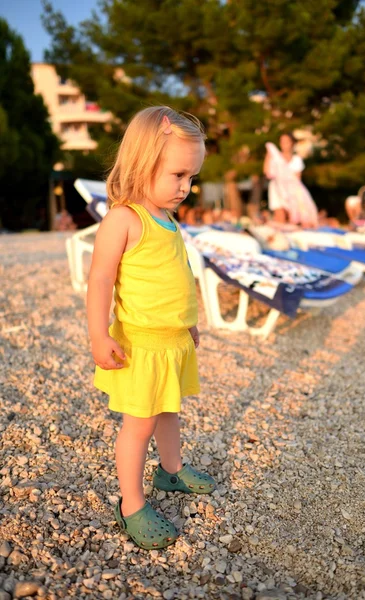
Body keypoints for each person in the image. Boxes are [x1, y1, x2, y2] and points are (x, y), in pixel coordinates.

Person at [87, 106, 216, 551]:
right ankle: (132, 503)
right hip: (141, 346)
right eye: (178, 175)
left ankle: (172, 469)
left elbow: (176, 276)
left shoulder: (167, 218)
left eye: (192, 178)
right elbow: (100, 279)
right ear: (143, 164)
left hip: (172, 342)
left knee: (169, 411)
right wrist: (99, 335)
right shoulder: (125, 219)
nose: (187, 187)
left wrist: (189, 325)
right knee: (138, 426)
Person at [264, 132, 318, 227]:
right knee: (280, 215)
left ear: (292, 143)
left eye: (287, 142)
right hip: (277, 189)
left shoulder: (297, 159)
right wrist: (268, 157)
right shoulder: (275, 158)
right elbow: (267, 173)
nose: (284, 144)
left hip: (293, 191)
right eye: (282, 141)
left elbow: (297, 179)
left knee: (296, 217)